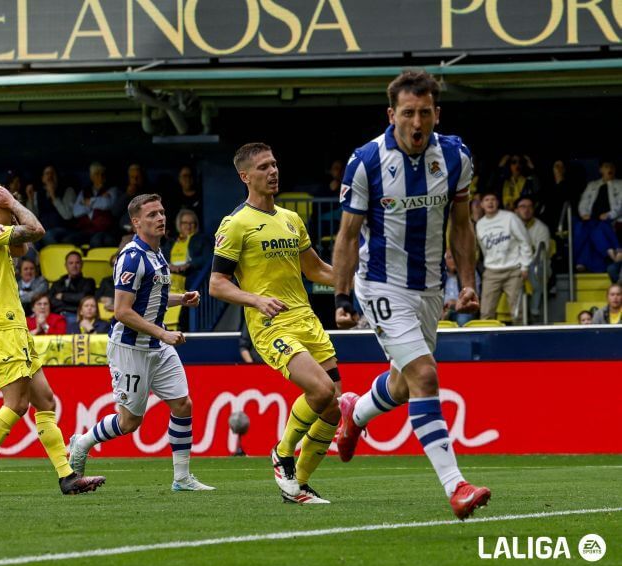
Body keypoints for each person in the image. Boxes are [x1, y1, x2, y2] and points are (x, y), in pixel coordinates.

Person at [333, 71, 490, 520]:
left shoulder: (456, 156)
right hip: (381, 283)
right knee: (425, 375)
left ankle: (355, 412)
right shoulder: (366, 161)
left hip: (430, 288)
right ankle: (456, 486)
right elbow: (347, 235)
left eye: (425, 113)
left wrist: (468, 283)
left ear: (436, 113)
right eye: (408, 113)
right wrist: (341, 297)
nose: (416, 123)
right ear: (392, 114)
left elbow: (461, 224)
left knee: (403, 385)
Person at [209, 144, 342, 505]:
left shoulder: (290, 219)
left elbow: (314, 269)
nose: (273, 171)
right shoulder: (236, 224)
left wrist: (353, 279)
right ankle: (282, 453)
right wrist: (255, 299)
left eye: (275, 164)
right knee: (320, 391)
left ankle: (297, 484)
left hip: (307, 320)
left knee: (333, 407)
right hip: (272, 325)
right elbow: (216, 284)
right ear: (245, 176)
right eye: (264, 166)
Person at [0, 183, 105, 497]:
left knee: (45, 400)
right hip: (3, 327)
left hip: (11, 327)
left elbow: (22, 248)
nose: (11, 217)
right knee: (17, 403)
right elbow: (36, 229)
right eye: (7, 210)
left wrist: (12, 211)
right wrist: (14, 205)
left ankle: (67, 476)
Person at [68, 193, 213, 492]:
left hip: (156, 347)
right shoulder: (131, 257)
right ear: (136, 222)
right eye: (152, 215)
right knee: (129, 423)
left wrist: (181, 300)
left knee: (183, 404)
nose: (160, 218)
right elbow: (121, 311)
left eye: (161, 212)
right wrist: (163, 333)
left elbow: (151, 296)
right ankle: (82, 442)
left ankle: (182, 478)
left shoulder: (158, 253)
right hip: (130, 348)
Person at [476, 191, 533, 324]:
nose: (490, 202)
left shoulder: (510, 217)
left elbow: (525, 241)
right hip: (491, 271)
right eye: (487, 200)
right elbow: (483, 250)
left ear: (498, 202)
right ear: (482, 205)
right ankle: (487, 342)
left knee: (518, 312)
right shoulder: (480, 224)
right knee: (485, 312)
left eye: (493, 199)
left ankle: (522, 341)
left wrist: (525, 266)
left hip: (513, 270)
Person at [575, 160, 622, 273]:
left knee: (596, 228)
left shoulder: (620, 184)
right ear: (600, 170)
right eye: (606, 166)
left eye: (612, 166)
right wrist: (584, 213)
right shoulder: (593, 185)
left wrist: (610, 214)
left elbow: (621, 204)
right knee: (587, 227)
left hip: (612, 218)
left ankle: (582, 261)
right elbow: (584, 201)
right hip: (592, 218)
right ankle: (615, 250)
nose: (609, 169)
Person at [515, 196, 551, 319]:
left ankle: (533, 310)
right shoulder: (512, 225)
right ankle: (516, 314)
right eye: (523, 207)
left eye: (530, 207)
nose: (527, 210)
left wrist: (525, 266)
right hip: (516, 263)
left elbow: (540, 254)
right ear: (516, 210)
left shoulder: (541, 228)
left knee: (535, 271)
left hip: (537, 264)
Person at [48, 251, 96, 328]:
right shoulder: (57, 283)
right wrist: (73, 300)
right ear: (66, 266)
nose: (74, 266)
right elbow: (50, 301)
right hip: (57, 316)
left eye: (77, 263)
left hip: (75, 316)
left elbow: (83, 298)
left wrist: (63, 296)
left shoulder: (89, 282)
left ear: (82, 265)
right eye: (71, 263)